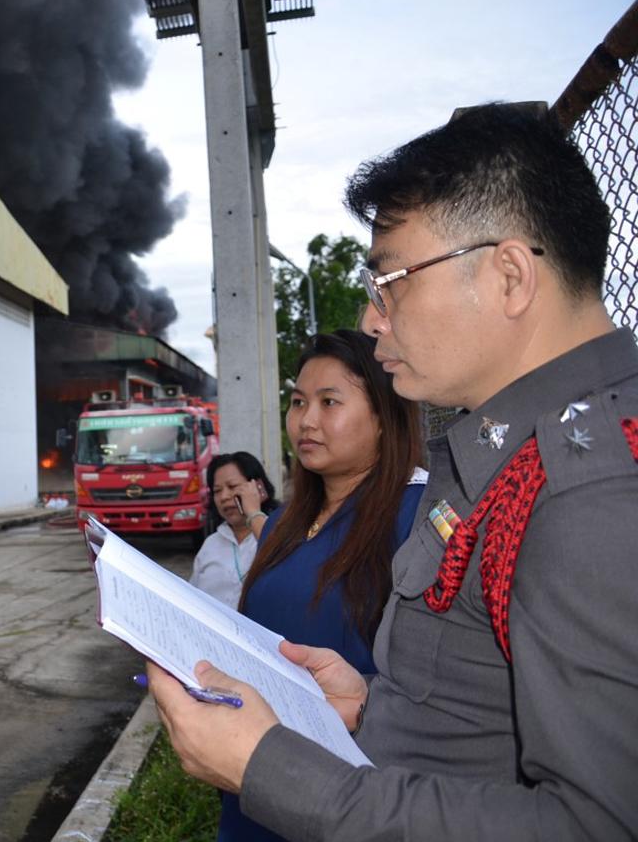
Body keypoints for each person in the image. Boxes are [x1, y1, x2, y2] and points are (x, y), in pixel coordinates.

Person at [147, 102, 638, 839]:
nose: (374, 318)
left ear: (509, 276)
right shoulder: (505, 456)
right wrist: (369, 706)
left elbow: (595, 825)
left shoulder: (591, 493)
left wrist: (272, 768)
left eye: (393, 280)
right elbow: (482, 728)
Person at [216, 330, 425, 842]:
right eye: (297, 402)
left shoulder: (415, 518)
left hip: (346, 790)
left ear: (383, 416)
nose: (306, 420)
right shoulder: (285, 521)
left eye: (330, 402)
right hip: (255, 770)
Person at [189, 452, 278, 608]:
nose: (224, 497)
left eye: (232, 486)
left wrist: (253, 513)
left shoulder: (280, 533)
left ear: (257, 487)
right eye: (217, 491)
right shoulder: (210, 545)